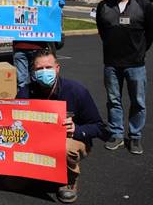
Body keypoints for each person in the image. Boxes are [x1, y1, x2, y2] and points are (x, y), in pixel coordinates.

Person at [21, 49, 106, 203]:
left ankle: (69, 181)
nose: (44, 72)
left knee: (65, 148)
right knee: (12, 184)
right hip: (38, 139)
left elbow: (98, 126)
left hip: (70, 139)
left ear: (57, 68)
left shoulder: (76, 91)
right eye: (39, 69)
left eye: (48, 67)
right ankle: (33, 170)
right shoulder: (25, 92)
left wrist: (77, 129)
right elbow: (8, 122)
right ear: (33, 72)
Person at [96, 0, 153, 155]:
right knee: (114, 100)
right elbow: (102, 31)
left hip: (135, 64)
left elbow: (151, 31)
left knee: (138, 101)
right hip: (112, 63)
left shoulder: (143, 5)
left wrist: (140, 50)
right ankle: (116, 134)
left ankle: (135, 136)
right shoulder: (103, 6)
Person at [13, 0, 53, 98]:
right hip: (20, 47)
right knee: (21, 82)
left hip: (38, 46)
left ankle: (40, 107)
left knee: (39, 81)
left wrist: (57, 6)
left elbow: (51, 17)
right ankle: (24, 108)